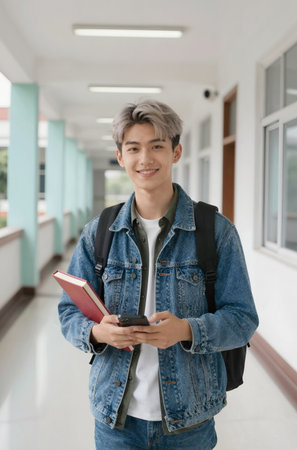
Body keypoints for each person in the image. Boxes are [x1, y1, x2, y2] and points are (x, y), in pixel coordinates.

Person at [58, 100, 259, 450]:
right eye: (133, 148)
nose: (145, 159)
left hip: (190, 420)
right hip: (114, 419)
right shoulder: (99, 232)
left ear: (176, 152)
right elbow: (68, 312)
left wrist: (185, 330)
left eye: (157, 147)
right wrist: (96, 332)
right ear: (120, 156)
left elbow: (243, 320)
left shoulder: (215, 232)